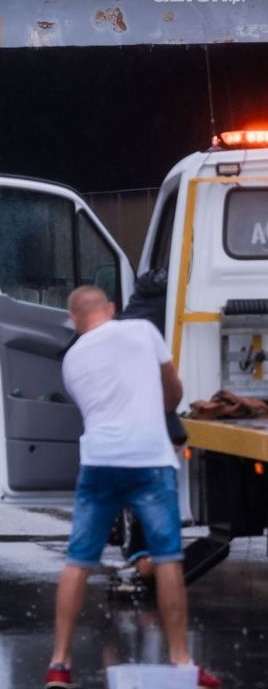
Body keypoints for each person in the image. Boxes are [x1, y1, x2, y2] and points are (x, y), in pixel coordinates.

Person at [45, 286, 220, 689]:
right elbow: (173, 393)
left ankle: (59, 666)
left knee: (78, 561)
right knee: (168, 559)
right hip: (149, 459)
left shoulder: (71, 360)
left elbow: (97, 406)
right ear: (110, 309)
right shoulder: (142, 330)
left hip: (100, 461)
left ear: (74, 320)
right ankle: (180, 664)